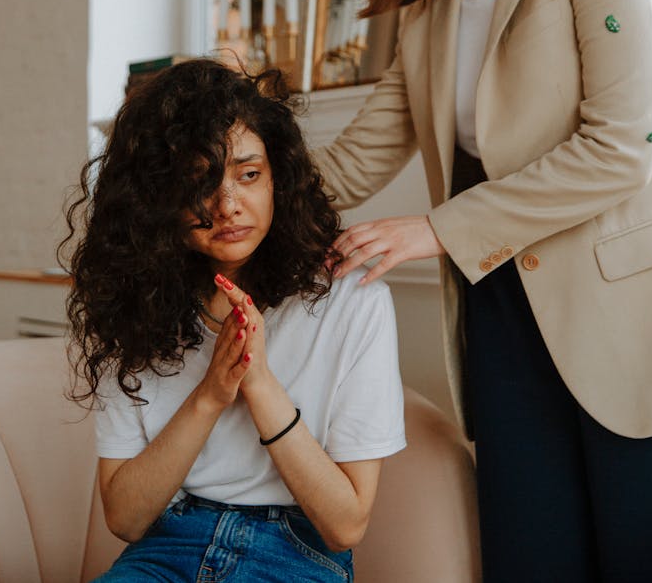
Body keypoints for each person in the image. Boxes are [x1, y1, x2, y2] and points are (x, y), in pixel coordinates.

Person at [314, 0, 652, 582]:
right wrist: (221, 189)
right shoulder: (424, 19)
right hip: (501, 322)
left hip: (638, 321)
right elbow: (350, 162)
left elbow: (622, 145)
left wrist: (435, 228)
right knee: (531, 560)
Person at [61, 58, 405, 583]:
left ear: (278, 179)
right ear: (156, 199)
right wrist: (210, 395)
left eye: (249, 175)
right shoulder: (131, 305)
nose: (228, 206)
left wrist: (259, 383)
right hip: (166, 547)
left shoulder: (353, 301)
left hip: (297, 551)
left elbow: (345, 526)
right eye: (198, 182)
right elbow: (126, 519)